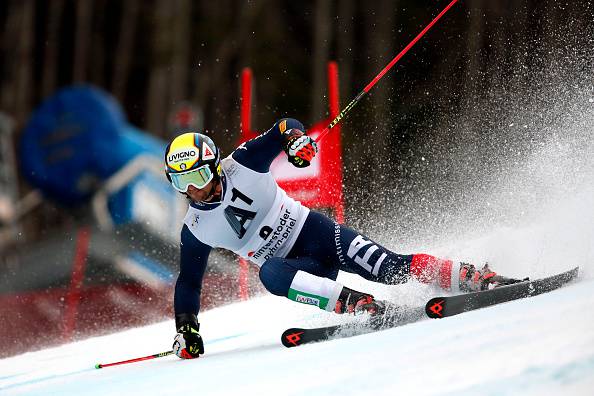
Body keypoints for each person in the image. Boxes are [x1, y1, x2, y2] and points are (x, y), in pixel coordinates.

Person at [166, 118, 516, 359]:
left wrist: (297, 142)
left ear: (213, 166)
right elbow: (189, 284)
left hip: (318, 235)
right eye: (182, 183)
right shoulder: (195, 226)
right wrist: (187, 328)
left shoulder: (241, 163)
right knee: (269, 273)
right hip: (300, 270)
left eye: (197, 176)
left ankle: (471, 276)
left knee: (390, 268)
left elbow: (284, 127)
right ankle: (359, 304)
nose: (193, 190)